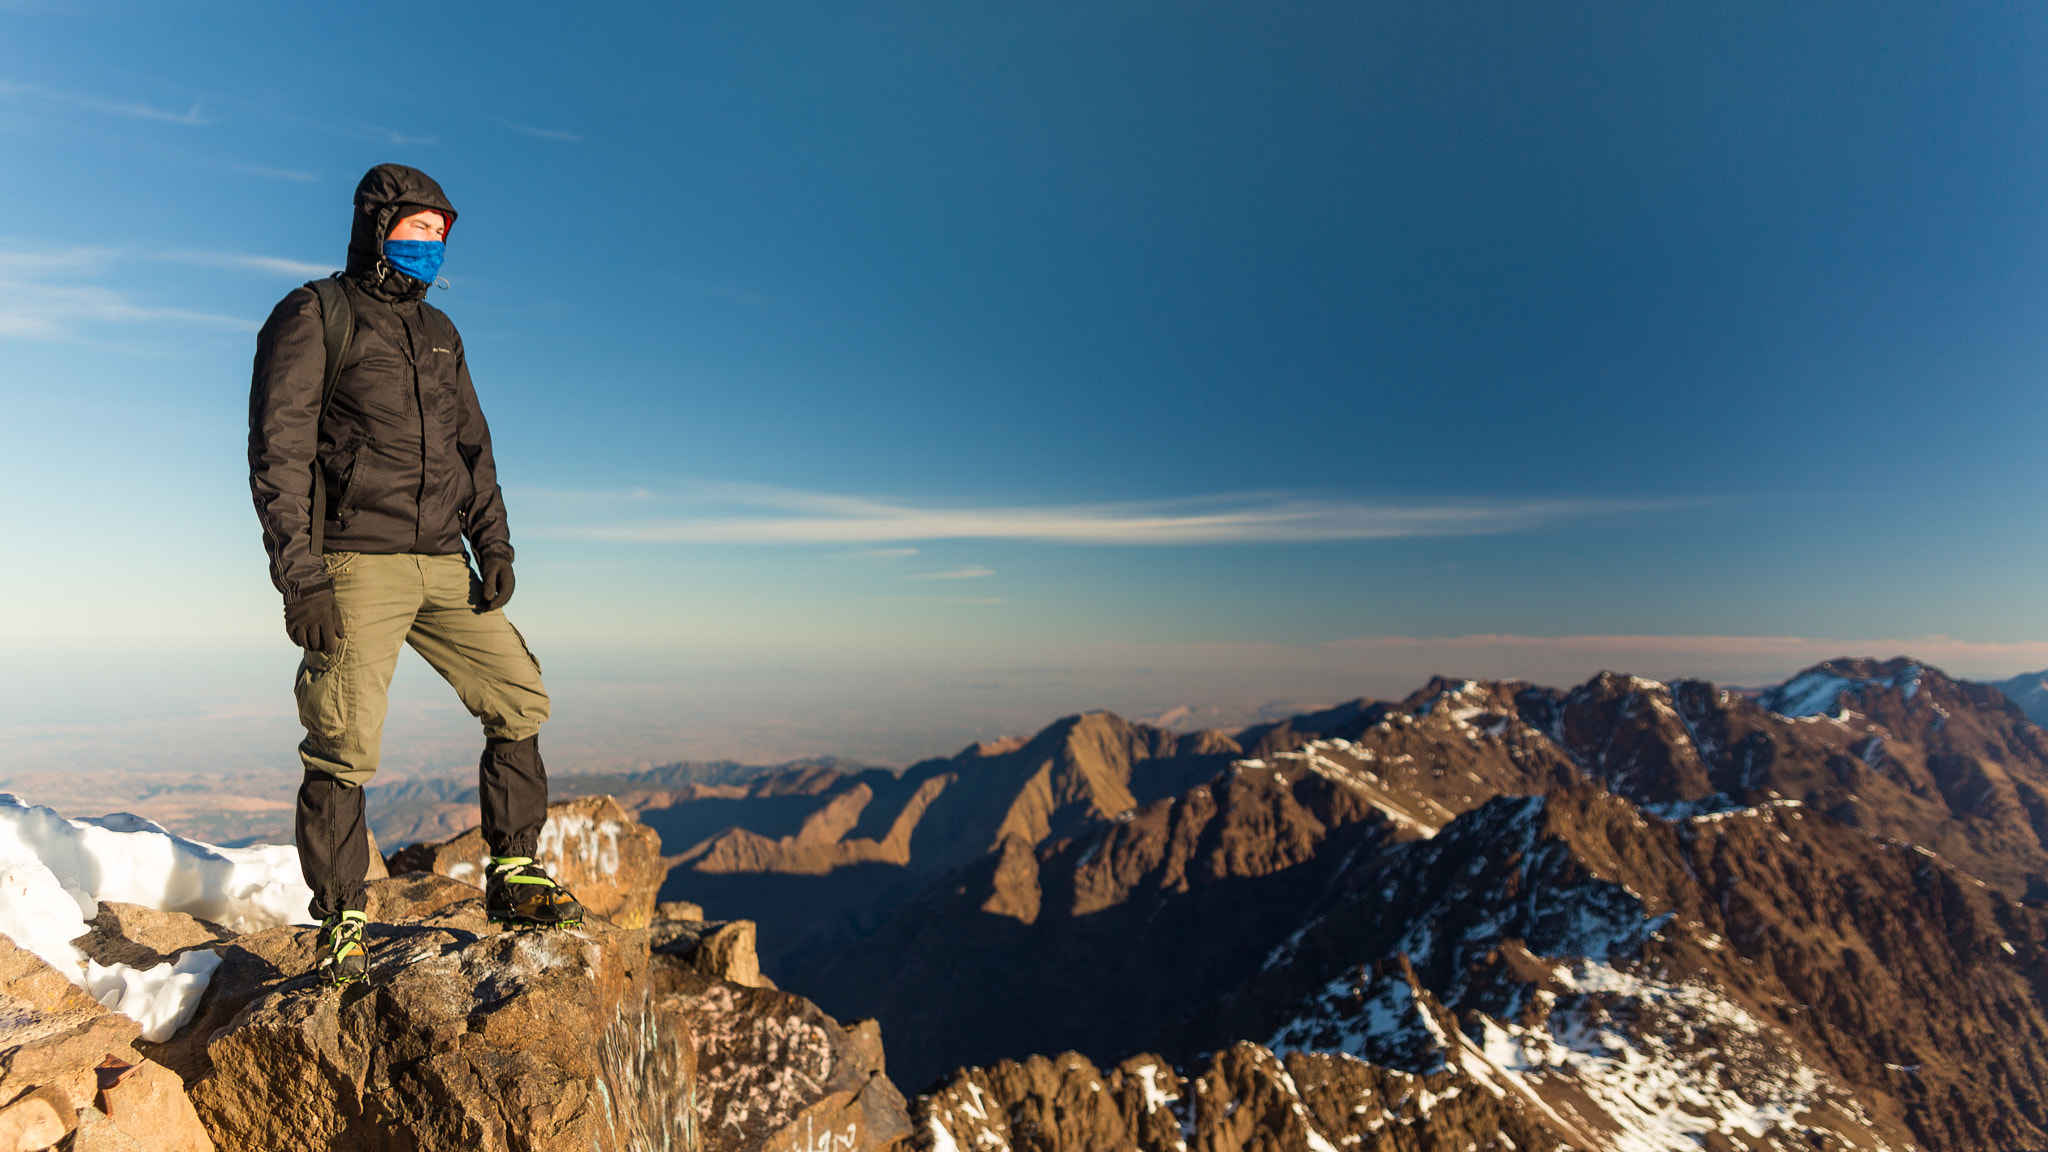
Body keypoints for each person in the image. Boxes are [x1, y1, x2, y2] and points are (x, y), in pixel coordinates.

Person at [248, 163, 584, 985]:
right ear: (377, 226)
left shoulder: (441, 332)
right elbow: (279, 454)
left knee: (519, 696)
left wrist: (494, 545)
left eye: (442, 232)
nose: (433, 244)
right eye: (418, 229)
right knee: (343, 738)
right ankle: (341, 919)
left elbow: (475, 450)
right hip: (356, 562)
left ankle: (512, 874)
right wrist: (303, 580)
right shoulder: (314, 315)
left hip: (443, 561)